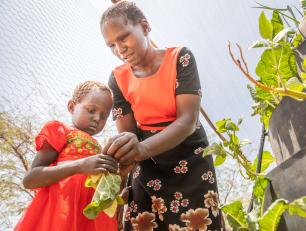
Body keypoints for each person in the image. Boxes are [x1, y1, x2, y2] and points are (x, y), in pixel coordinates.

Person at [100, 1, 223, 230]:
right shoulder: (117, 79)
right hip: (148, 165)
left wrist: (141, 149)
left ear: (145, 27)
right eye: (111, 45)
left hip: (190, 158)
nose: (120, 49)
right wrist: (121, 153)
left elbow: (187, 121)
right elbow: (128, 134)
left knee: (200, 222)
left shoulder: (180, 58)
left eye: (124, 37)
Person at [15, 81, 119, 231]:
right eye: (91, 110)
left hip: (89, 219)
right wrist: (80, 166)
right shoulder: (60, 131)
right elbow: (30, 179)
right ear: (71, 106)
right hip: (59, 212)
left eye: (104, 116)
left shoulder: (100, 149)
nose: (97, 118)